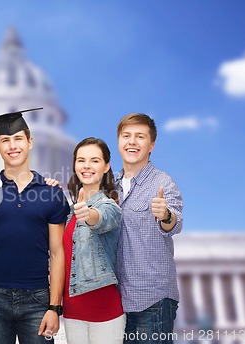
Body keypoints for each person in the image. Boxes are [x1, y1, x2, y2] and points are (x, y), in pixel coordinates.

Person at [0, 108, 70, 344]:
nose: (12, 146)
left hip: (37, 298)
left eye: (18, 139)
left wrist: (54, 307)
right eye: (5, 140)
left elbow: (58, 253)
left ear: (30, 141)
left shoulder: (51, 193)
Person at [114, 113, 183, 344]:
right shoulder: (109, 186)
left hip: (152, 300)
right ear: (119, 142)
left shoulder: (163, 183)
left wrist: (166, 215)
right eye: (126, 136)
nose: (132, 142)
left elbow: (175, 223)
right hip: (116, 302)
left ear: (151, 145)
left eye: (140, 136)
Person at [63, 137, 125, 344]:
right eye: (81, 160)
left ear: (106, 166)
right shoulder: (69, 214)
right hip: (72, 310)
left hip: (103, 309)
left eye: (95, 160)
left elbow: (100, 219)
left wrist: (88, 213)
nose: (86, 166)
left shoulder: (110, 206)